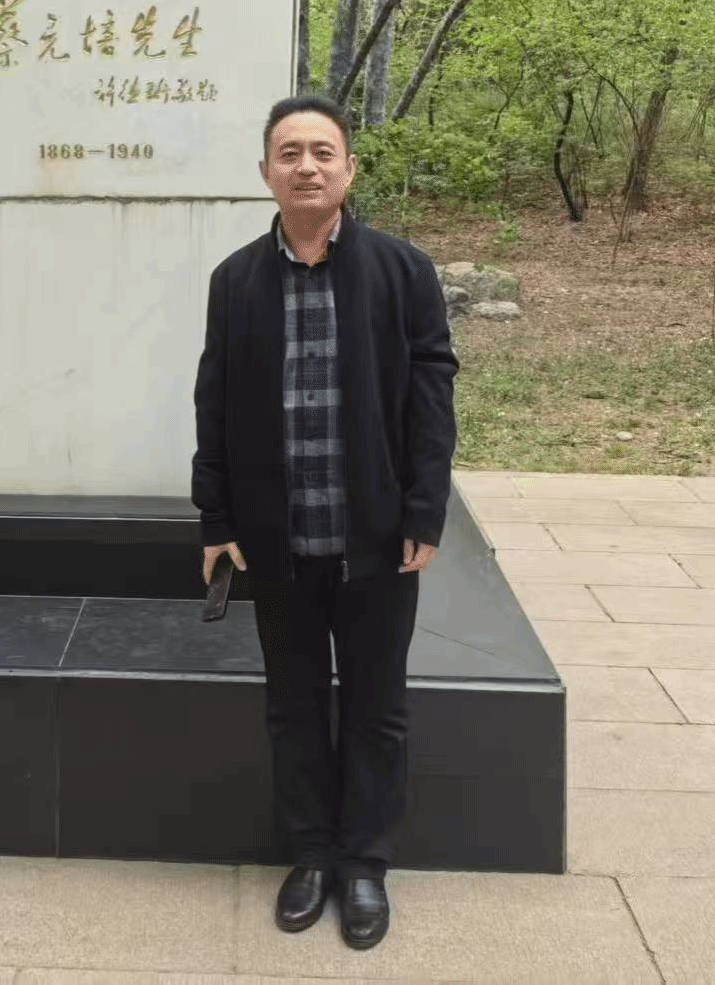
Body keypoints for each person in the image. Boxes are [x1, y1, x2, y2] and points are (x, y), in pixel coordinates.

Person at [191, 95, 458, 950]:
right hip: (279, 542)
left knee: (378, 709)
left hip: (375, 539)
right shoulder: (236, 280)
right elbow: (214, 403)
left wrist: (425, 508)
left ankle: (365, 864)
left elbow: (431, 398)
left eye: (322, 151)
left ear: (348, 167)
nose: (306, 166)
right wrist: (215, 515)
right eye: (289, 152)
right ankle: (310, 855)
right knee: (294, 708)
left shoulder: (401, 270)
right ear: (265, 172)